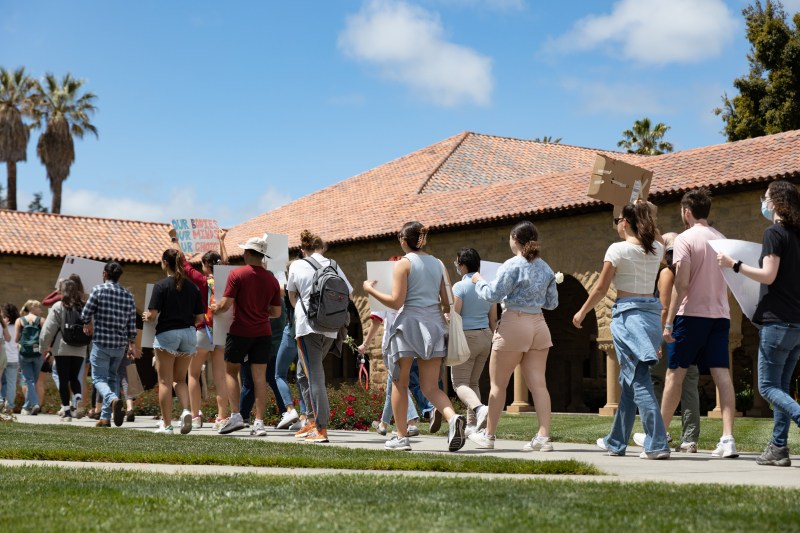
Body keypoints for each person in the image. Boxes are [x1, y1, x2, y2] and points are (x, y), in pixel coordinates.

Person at [573, 203, 670, 459]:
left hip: (628, 317)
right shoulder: (656, 248)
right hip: (650, 316)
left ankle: (657, 442)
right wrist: (651, 213)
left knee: (639, 380)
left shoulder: (617, 249)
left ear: (625, 222)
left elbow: (601, 288)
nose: (616, 224)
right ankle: (616, 441)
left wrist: (582, 312)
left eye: (617, 219)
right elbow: (661, 244)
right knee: (628, 381)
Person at [363, 221, 466, 452]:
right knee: (431, 386)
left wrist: (370, 290)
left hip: (407, 328)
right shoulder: (439, 264)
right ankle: (452, 418)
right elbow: (446, 299)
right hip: (434, 327)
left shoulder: (403, 265)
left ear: (403, 240)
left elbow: (396, 302)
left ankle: (401, 437)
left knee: (400, 382)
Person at [718, 181, 800, 467]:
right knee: (781, 387)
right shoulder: (797, 236)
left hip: (777, 323)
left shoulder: (774, 233)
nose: (762, 202)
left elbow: (768, 275)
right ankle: (778, 448)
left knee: (766, 388)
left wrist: (734, 265)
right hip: (796, 324)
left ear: (776, 203)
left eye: (765, 198)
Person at [662, 188, 738, 458]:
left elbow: (681, 285)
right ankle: (727, 439)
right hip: (720, 316)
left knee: (675, 374)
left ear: (687, 212)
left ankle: (659, 436)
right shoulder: (721, 239)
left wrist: (669, 321)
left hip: (690, 315)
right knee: (722, 375)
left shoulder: (684, 239)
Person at [468, 222, 558, 451]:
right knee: (539, 385)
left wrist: (478, 281)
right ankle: (543, 438)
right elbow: (552, 303)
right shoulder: (546, 268)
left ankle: (488, 436)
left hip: (514, 324)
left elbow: (492, 294)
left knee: (498, 385)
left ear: (514, 238)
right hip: (539, 324)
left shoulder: (512, 265)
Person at [633, 233, 702, 453]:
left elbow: (663, 307)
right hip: (691, 329)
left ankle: (658, 430)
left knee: (655, 379)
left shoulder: (667, 272)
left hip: (669, 332)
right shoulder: (693, 269)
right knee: (689, 383)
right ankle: (689, 439)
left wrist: (656, 338)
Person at [211, 235, 282, 436]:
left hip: (240, 331)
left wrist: (216, 308)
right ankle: (259, 423)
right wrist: (261, 311)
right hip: (263, 333)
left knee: (231, 372)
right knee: (260, 378)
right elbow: (276, 312)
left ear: (249, 254)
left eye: (244, 251)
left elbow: (225, 305)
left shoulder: (237, 275)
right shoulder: (272, 279)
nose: (242, 254)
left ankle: (236, 416)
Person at [288, 230, 353, 444]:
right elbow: (349, 293)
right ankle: (311, 421)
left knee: (314, 375)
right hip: (331, 328)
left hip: (308, 327)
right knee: (302, 372)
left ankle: (321, 427)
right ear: (322, 247)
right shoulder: (333, 265)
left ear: (302, 249)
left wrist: (304, 311)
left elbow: (291, 295)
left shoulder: (298, 265)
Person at [172, 228, 231, 431]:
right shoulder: (225, 280)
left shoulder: (202, 280)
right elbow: (226, 264)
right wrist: (222, 241)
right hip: (221, 332)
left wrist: (175, 239)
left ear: (206, 265)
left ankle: (196, 416)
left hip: (202, 331)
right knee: (221, 376)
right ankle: (222, 417)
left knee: (193, 374)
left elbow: (182, 263)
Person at [144, 248, 204, 434]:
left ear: (165, 263)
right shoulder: (193, 287)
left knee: (165, 382)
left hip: (167, 334)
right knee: (181, 379)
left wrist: (147, 316)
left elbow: (153, 315)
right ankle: (187, 411)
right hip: (188, 334)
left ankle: (167, 425)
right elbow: (200, 318)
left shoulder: (161, 286)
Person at [81, 261, 138, 428]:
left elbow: (85, 313)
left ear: (105, 274)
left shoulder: (98, 290)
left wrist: (87, 323)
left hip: (101, 342)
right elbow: (131, 324)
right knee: (113, 378)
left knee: (98, 378)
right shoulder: (128, 296)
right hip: (120, 345)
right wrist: (132, 343)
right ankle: (106, 418)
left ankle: (112, 399)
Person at [451, 248, 497, 436]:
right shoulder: (488, 285)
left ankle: (479, 409)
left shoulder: (459, 286)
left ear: (462, 265)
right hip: (486, 336)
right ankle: (472, 424)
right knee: (473, 382)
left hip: (467, 337)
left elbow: (455, 316)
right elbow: (493, 319)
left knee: (459, 383)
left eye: (457, 264)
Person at [360, 307, 421, 437]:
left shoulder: (384, 292)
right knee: (393, 387)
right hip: (410, 346)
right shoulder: (410, 290)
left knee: (399, 386)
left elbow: (376, 320)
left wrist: (365, 345)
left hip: (392, 345)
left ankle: (411, 423)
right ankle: (383, 424)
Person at [40, 280, 90, 422]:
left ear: (63, 290)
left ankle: (67, 412)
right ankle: (78, 397)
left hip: (62, 348)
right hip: (80, 348)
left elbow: (48, 329)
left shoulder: (59, 306)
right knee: (75, 377)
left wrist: (43, 347)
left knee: (63, 379)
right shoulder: (84, 306)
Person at [274, 262, 305, 431]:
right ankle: (304, 416)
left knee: (279, 374)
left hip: (291, 331)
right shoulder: (308, 286)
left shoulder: (285, 287)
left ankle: (290, 409)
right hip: (306, 332)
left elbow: (274, 287)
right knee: (303, 377)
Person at [15, 300, 45, 415]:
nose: (40, 310)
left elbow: (16, 339)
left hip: (24, 354)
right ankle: (34, 404)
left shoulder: (20, 320)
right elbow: (46, 337)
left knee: (29, 380)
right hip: (38, 353)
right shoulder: (41, 320)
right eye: (38, 308)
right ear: (33, 308)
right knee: (33, 380)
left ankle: (27, 406)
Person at [1, 304, 20, 413]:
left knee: (2, 382)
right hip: (14, 358)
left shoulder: (3, 326)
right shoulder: (19, 326)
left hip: (2, 357)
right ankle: (10, 406)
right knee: (11, 383)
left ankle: (1, 400)